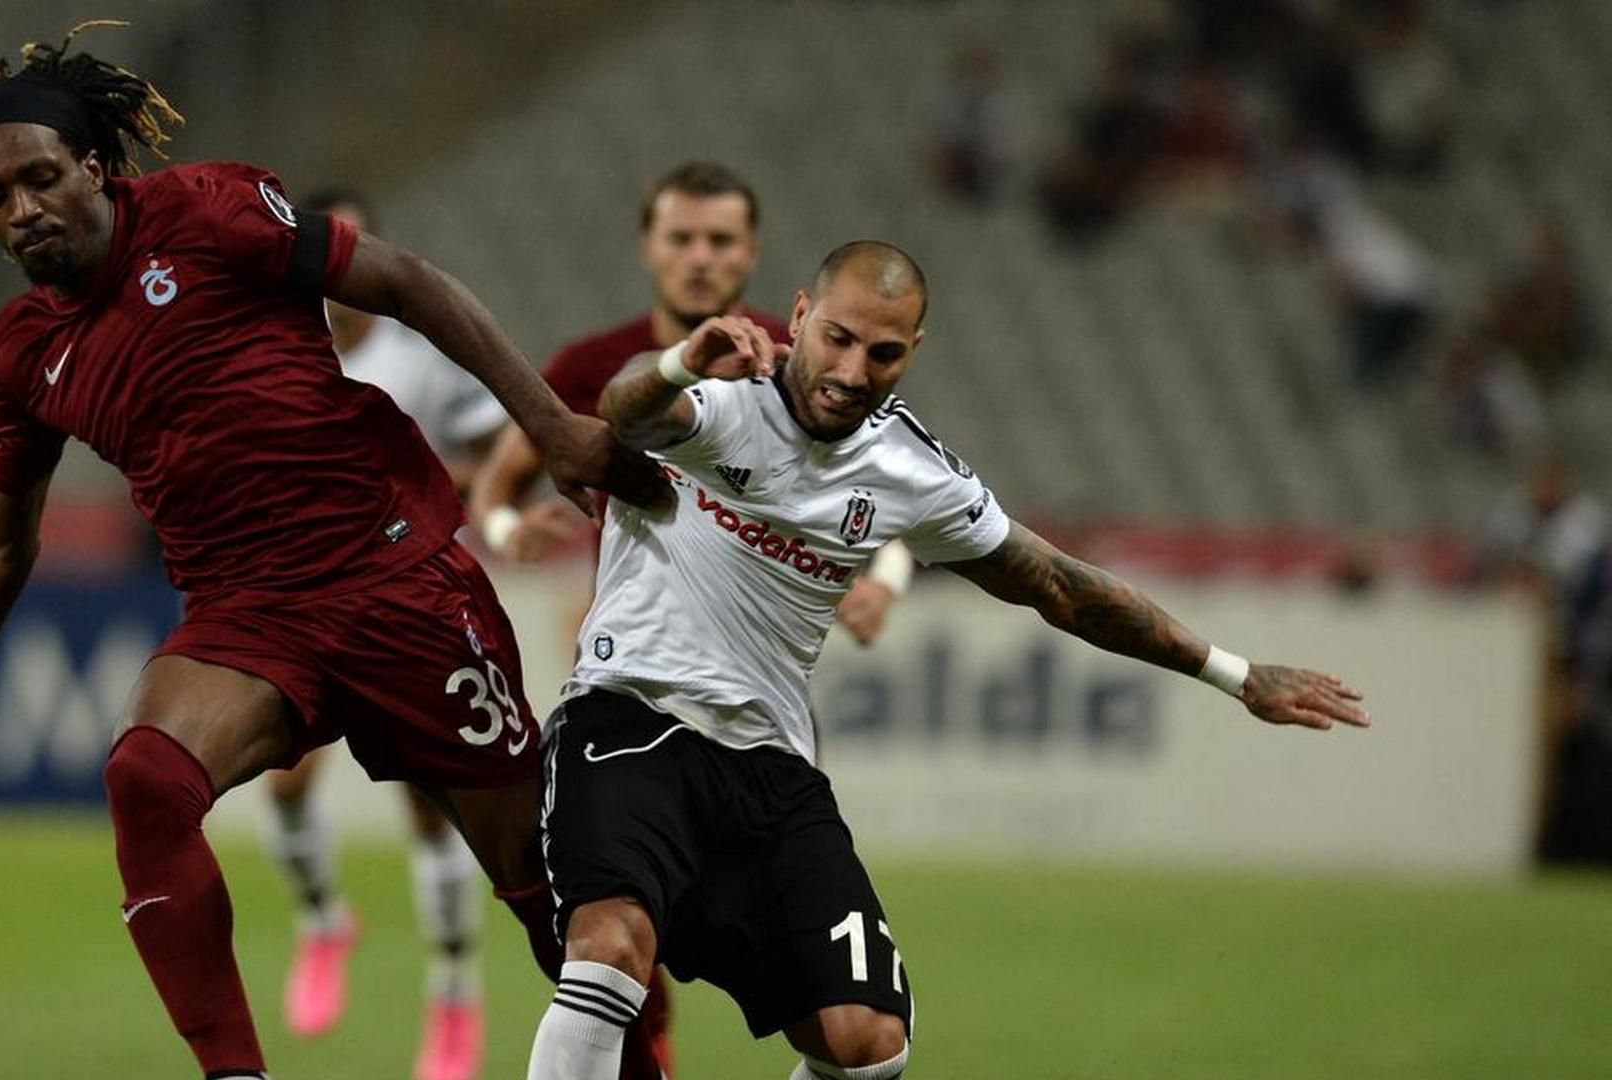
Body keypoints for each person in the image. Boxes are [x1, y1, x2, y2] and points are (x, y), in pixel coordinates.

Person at [0, 24, 671, 1080]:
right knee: (145, 776)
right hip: (248, 620)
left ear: (93, 165)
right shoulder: (24, 353)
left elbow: (406, 281)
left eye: (40, 179)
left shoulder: (207, 211)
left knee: (542, 887)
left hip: (394, 580)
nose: (22, 210)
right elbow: (5, 544)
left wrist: (550, 426)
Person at [525, 241, 1370, 1080]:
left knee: (870, 1047)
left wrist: (1234, 673)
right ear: (800, 316)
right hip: (630, 719)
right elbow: (627, 409)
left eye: (883, 353)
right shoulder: (723, 399)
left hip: (767, 764)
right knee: (611, 948)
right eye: (839, 338)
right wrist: (681, 360)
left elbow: (1059, 586)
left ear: (914, 351)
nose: (853, 371)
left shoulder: (910, 470)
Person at [263, 187, 507, 1079]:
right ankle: (325, 921)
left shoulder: (422, 356)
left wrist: (444, 488)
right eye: (330, 245)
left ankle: (453, 991)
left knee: (430, 807)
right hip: (302, 596)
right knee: (284, 785)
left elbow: (493, 457)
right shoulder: (271, 349)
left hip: (410, 599)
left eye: (359, 243)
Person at [470, 161, 912, 651]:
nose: (700, 258)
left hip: (756, 655)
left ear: (751, 252)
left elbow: (891, 484)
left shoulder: (799, 360)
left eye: (720, 241)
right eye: (681, 239)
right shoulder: (590, 366)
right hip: (623, 646)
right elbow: (496, 484)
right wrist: (507, 531)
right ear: (648, 248)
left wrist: (885, 582)